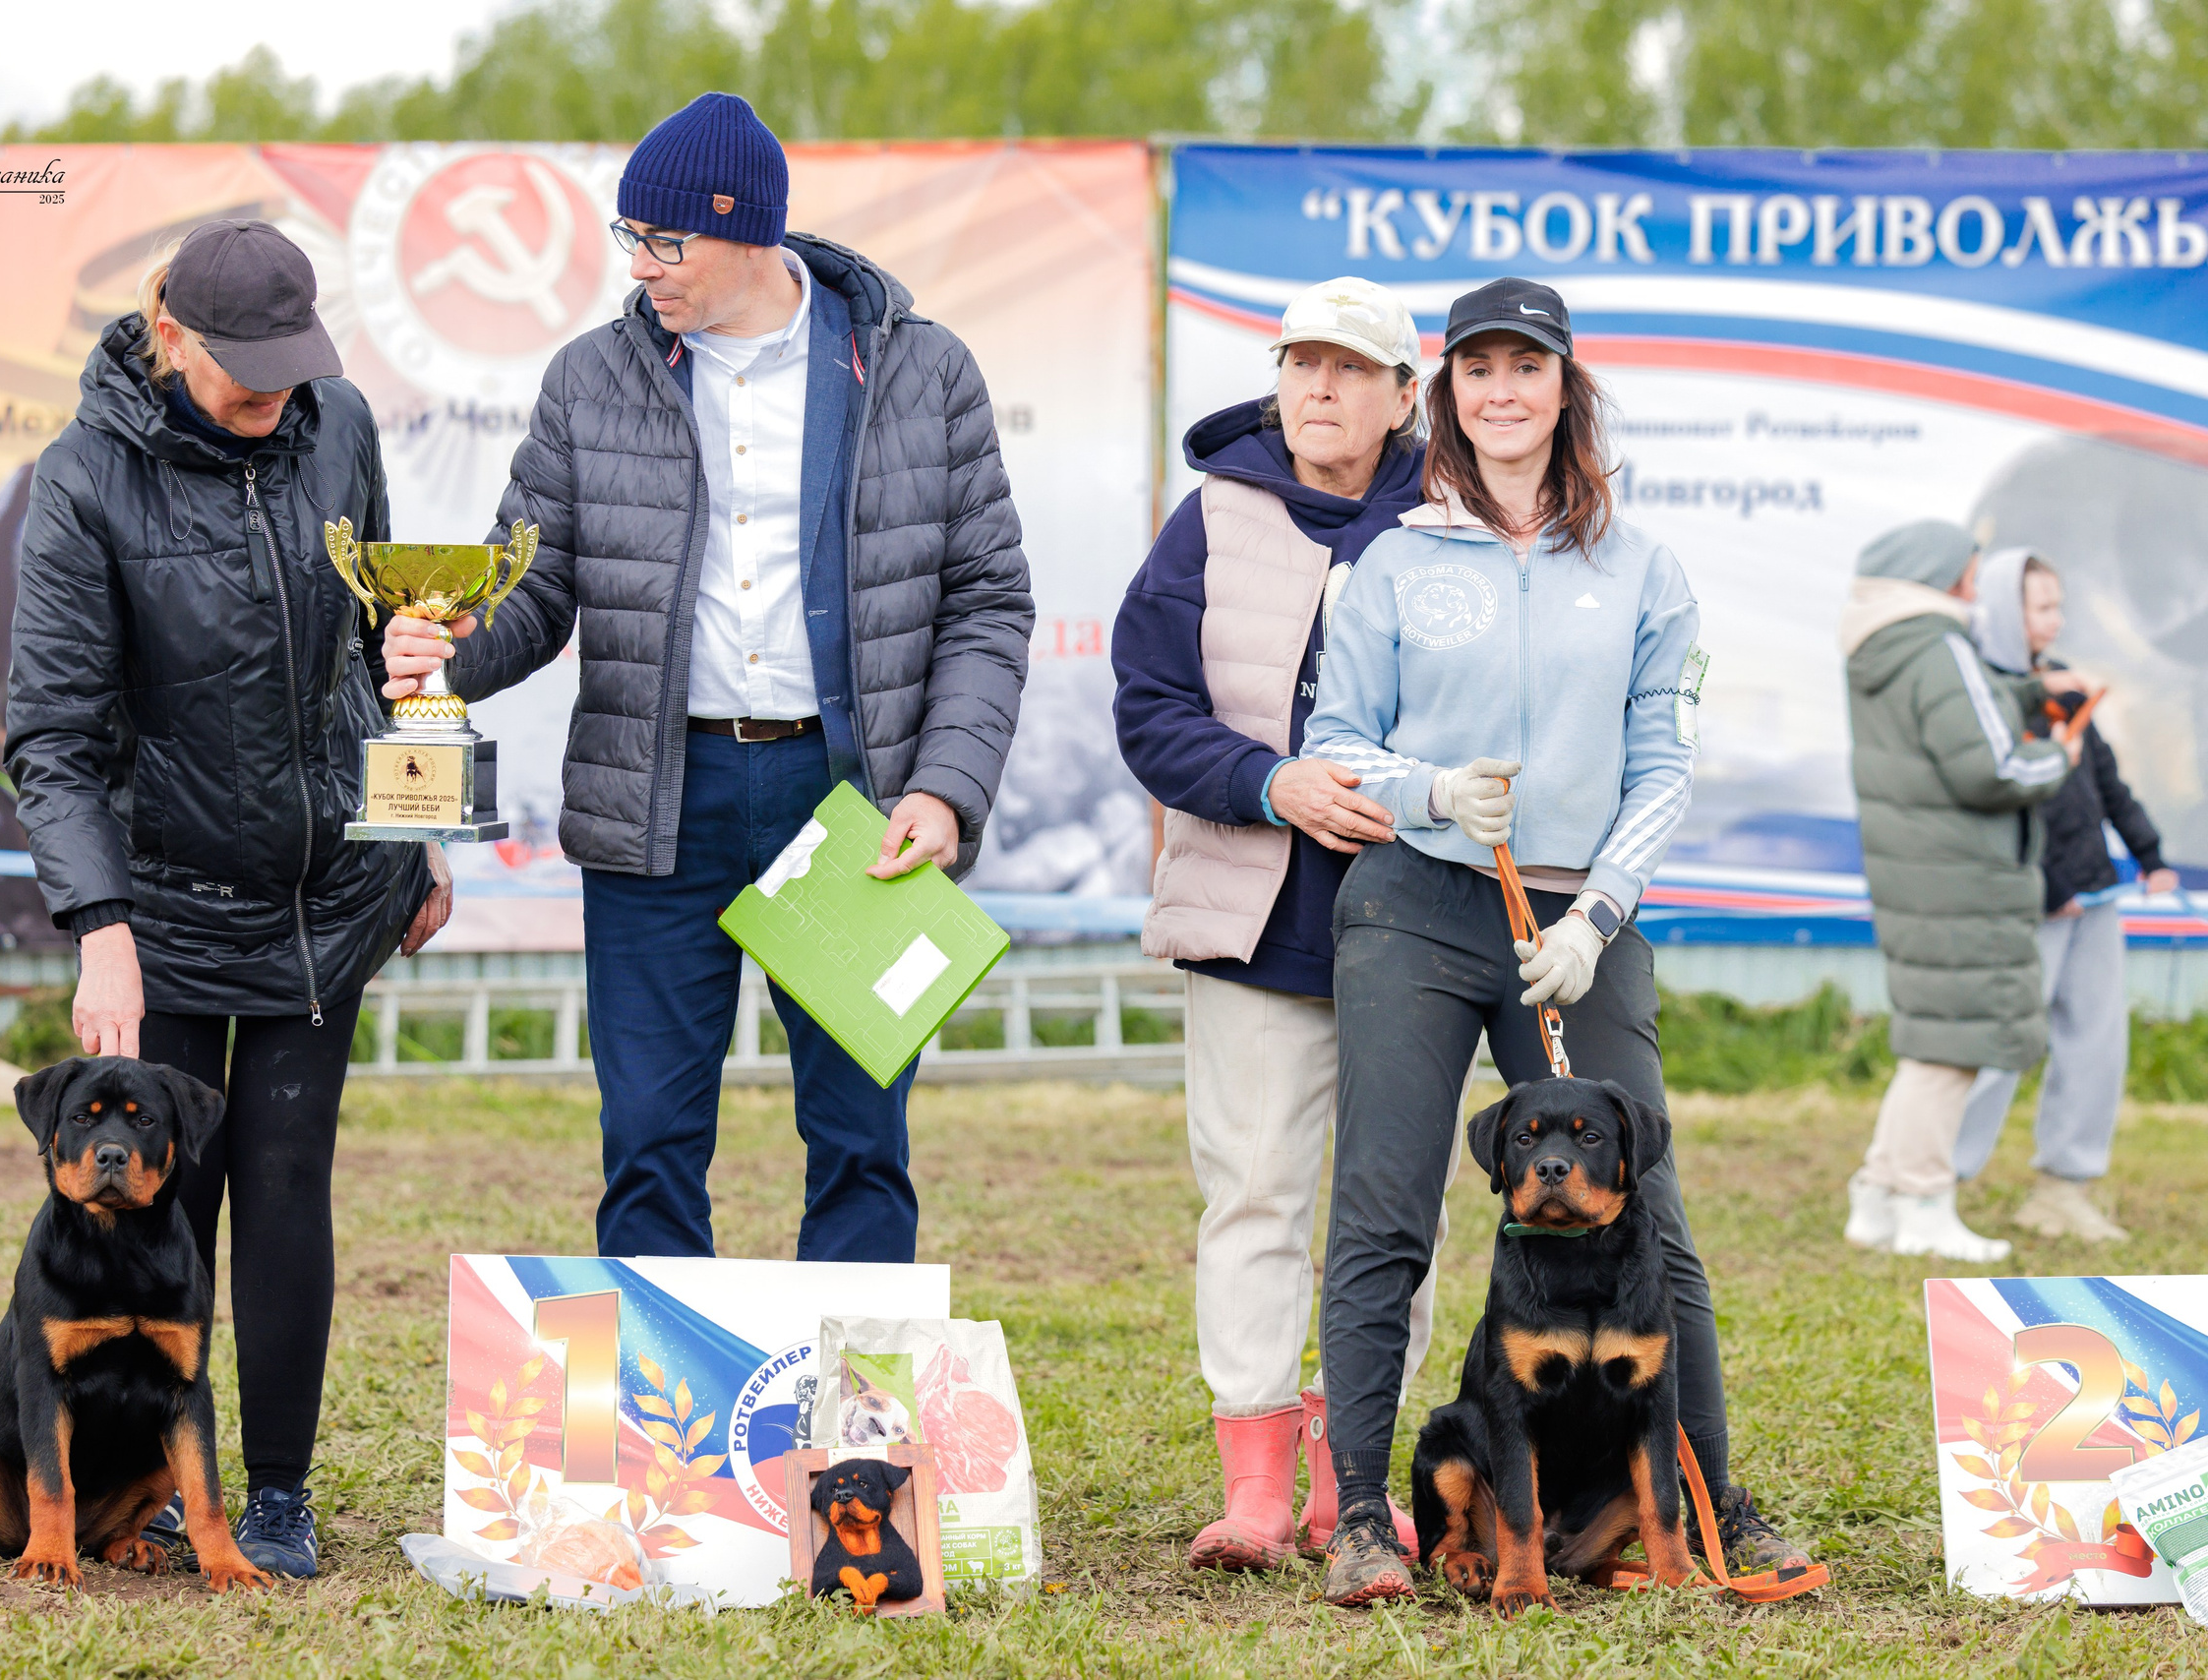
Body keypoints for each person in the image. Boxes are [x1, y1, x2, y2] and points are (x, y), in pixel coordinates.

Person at [382, 92, 1032, 1263]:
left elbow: (987, 600)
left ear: (750, 234)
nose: (640, 267)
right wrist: (450, 649)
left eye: (663, 242)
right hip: (652, 802)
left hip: (850, 807)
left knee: (860, 1142)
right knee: (646, 1141)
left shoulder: (922, 370)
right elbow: (533, 589)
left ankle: (855, 1440)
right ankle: (652, 1434)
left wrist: (944, 787)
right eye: (629, 238)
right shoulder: (589, 377)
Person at [1299, 277, 1809, 1603]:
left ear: (1566, 387)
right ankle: (1363, 1513)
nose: (1502, 392)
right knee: (1383, 1207)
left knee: (1655, 1211)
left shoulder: (1644, 567)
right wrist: (1424, 792)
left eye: (1527, 367)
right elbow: (1334, 742)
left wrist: (1598, 915)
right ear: (1449, 393)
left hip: (1574, 921)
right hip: (1414, 901)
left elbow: (1664, 764)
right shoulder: (1393, 561)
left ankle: (1711, 1499)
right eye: (1477, 369)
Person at [6, 219, 447, 1579]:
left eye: (290, 367)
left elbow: (378, 650)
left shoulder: (340, 425)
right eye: (245, 371)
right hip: (169, 905)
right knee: (165, 1200)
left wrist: (420, 828)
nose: (275, 396)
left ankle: (280, 1498)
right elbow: (58, 738)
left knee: (289, 1179)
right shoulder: (82, 482)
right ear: (172, 335)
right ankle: (133, 1490)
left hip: (329, 894)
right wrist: (103, 932)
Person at [1113, 277, 1454, 1572]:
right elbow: (1149, 708)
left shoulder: (1459, 523)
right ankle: (1256, 1489)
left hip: (1417, 923)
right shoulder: (1211, 519)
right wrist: (1274, 784)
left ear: (1402, 397)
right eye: (1302, 363)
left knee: (1395, 1213)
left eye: (1351, 368)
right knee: (1252, 1192)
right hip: (1253, 922)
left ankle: (1350, 1479)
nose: (1320, 387)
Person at [1838, 522, 2073, 1262]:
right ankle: (1925, 1205)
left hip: (1922, 871)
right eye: (1970, 569)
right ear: (1940, 575)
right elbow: (1993, 768)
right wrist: (2057, 755)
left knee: (1933, 1044)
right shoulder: (1940, 644)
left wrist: (2029, 692)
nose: (1977, 583)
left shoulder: (1888, 643)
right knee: (1951, 1050)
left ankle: (1878, 1197)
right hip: (1960, 872)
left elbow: (1960, 718)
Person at [1951, 549, 2175, 1242]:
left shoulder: (2062, 685)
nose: (2057, 619)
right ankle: (1934, 1181)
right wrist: (2046, 886)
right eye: (2042, 606)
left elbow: (2105, 782)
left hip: (2096, 898)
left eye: (2057, 605)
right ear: (2000, 610)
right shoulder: (1978, 691)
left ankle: (2062, 1187)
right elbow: (1991, 804)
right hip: (2028, 904)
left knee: (2096, 1041)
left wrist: (2149, 855)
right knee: (1999, 1045)